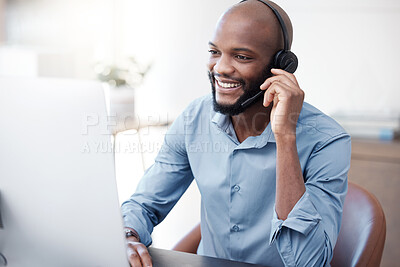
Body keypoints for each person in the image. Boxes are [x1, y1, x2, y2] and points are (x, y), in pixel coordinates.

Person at [121, 0, 351, 266]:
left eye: (241, 57)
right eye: (215, 51)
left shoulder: (327, 141)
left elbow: (309, 262)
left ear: (282, 66)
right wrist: (128, 235)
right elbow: (144, 203)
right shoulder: (194, 119)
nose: (221, 68)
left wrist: (286, 136)